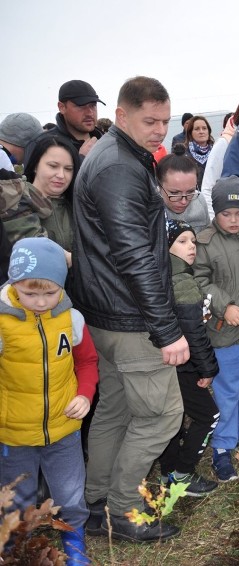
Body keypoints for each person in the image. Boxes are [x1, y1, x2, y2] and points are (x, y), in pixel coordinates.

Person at [72, 76, 187, 543]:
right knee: (162, 415)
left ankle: (94, 502)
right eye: (150, 121)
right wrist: (166, 329)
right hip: (130, 316)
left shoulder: (114, 155)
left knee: (115, 410)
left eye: (165, 120)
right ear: (121, 117)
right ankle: (122, 509)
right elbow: (133, 255)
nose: (160, 130)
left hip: (104, 311)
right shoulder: (119, 167)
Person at [0, 237, 99, 565]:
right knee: (18, 499)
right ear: (14, 284)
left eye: (50, 293)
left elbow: (86, 362)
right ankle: (16, 548)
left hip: (63, 428)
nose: (41, 302)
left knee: (70, 493)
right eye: (31, 293)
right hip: (13, 434)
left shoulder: (71, 319)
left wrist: (84, 394)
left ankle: (74, 541)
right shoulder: (2, 322)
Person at [194, 176, 239, 482]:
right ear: (216, 213)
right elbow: (198, 281)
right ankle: (222, 449)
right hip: (224, 334)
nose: (234, 220)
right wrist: (224, 306)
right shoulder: (205, 243)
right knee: (227, 392)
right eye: (227, 214)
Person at [158, 219, 220, 495]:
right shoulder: (181, 279)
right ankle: (182, 474)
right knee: (209, 415)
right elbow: (193, 331)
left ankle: (167, 472)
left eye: (193, 241)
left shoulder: (161, 274)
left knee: (172, 419)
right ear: (166, 246)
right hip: (184, 365)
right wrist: (208, 368)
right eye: (182, 241)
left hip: (165, 366)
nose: (191, 247)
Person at [22, 136, 80, 264]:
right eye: (53, 166)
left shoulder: (79, 204)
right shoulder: (15, 200)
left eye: (68, 169)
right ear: (35, 165)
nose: (61, 175)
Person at [29, 80, 105, 161]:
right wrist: (81, 159)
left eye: (93, 105)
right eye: (81, 106)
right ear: (62, 107)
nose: (90, 113)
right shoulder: (43, 145)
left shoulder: (109, 142)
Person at [157, 147, 210, 232]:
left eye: (190, 192)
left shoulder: (199, 200)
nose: (184, 202)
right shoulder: (148, 208)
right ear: (159, 186)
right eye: (174, 193)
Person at [183, 115, 215, 180]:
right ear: (190, 133)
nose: (201, 132)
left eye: (204, 128)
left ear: (208, 131)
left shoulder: (215, 152)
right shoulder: (184, 155)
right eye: (197, 129)